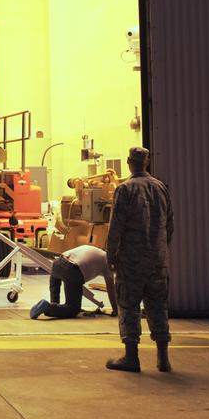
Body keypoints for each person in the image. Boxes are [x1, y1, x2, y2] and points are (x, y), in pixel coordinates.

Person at [106, 147, 175, 373]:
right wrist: (161, 249)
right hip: (158, 259)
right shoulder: (160, 187)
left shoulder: (125, 189)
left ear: (128, 162)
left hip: (132, 260)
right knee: (158, 305)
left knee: (129, 305)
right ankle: (163, 358)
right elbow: (170, 225)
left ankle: (131, 357)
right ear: (147, 162)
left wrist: (111, 254)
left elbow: (116, 226)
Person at [30, 244, 116, 320]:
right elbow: (111, 288)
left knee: (56, 298)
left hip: (58, 262)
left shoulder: (93, 249)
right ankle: (47, 307)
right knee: (73, 309)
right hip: (72, 269)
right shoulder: (108, 261)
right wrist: (115, 310)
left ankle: (51, 306)